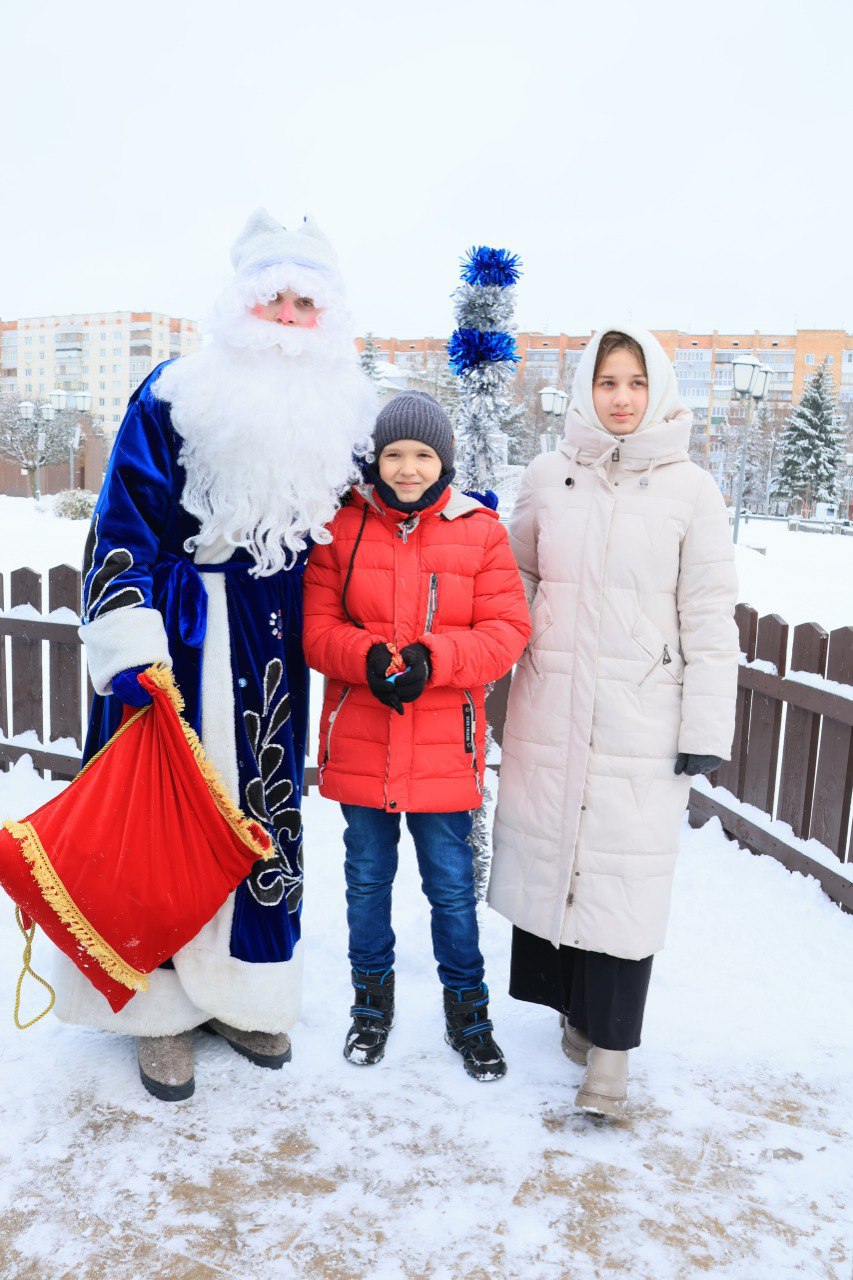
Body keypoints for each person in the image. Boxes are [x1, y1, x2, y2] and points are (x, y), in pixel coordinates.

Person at [52, 208, 377, 1101]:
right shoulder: (174, 392)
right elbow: (120, 526)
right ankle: (154, 1009)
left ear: (326, 316)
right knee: (157, 819)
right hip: (175, 629)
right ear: (239, 301)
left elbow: (379, 522)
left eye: (303, 300)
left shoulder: (341, 407)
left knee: (259, 812)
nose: (284, 313)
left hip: (271, 641)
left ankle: (243, 990)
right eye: (270, 293)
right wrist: (131, 650)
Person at [489, 326, 739, 1116]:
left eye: (635, 382)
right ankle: (572, 1012)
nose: (621, 398)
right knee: (555, 861)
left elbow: (707, 614)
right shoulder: (546, 476)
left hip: (641, 714)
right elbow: (512, 580)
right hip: (552, 704)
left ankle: (610, 1059)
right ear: (585, 391)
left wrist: (703, 726)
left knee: (624, 882)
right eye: (606, 383)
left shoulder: (690, 489)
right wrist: (483, 661)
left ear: (658, 389)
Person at [302, 392, 531, 1081]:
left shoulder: (481, 532)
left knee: (452, 889)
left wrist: (435, 659)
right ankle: (370, 1003)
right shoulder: (340, 528)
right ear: (375, 457)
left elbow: (505, 631)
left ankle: (470, 1013)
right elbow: (317, 628)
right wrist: (364, 657)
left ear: (444, 461)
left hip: (442, 750)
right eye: (393, 454)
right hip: (363, 745)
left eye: (422, 455)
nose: (406, 468)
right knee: (366, 883)